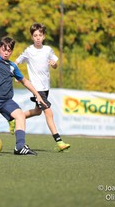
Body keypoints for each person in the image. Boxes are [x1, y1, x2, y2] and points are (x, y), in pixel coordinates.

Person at [8, 23, 70, 152]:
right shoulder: (29, 51)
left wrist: (54, 64)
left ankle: (15, 118)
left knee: (37, 112)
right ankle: (59, 142)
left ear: (43, 36)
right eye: (35, 35)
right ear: (32, 37)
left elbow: (54, 64)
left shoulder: (48, 50)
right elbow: (16, 62)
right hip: (36, 88)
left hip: (45, 87)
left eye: (40, 35)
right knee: (49, 112)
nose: (37, 38)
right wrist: (16, 75)